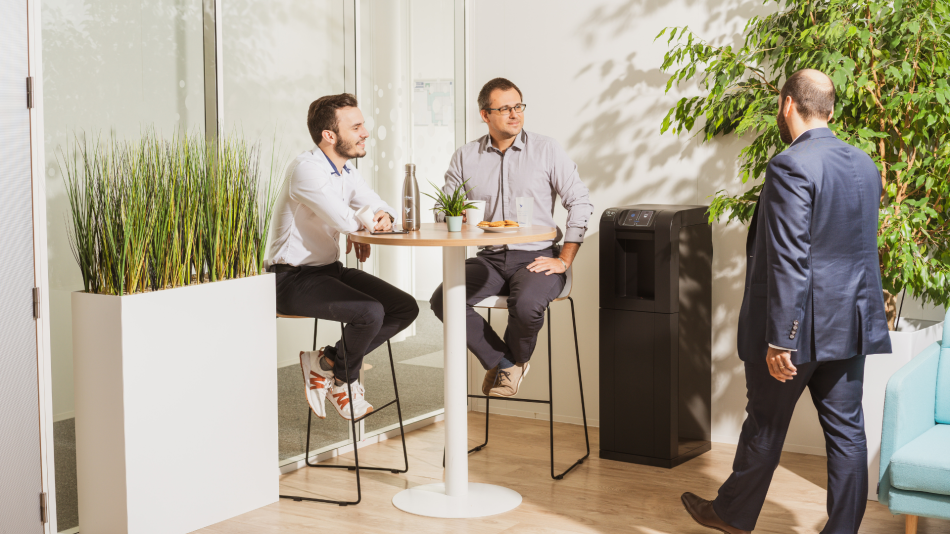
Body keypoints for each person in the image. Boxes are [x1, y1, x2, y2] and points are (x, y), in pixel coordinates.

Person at [680, 70, 892, 534]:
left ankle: (732, 515)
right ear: (830, 110)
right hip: (849, 323)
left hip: (796, 331)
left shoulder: (789, 165)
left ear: (787, 105)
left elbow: (790, 258)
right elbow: (856, 249)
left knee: (765, 426)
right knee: (847, 432)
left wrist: (782, 338)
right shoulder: (864, 164)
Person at [429, 77, 594, 398]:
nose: (514, 114)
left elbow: (581, 202)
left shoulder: (546, 150)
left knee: (529, 303)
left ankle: (512, 363)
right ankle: (506, 362)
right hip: (489, 259)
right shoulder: (465, 156)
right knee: (442, 300)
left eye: (518, 106)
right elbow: (440, 208)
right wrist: (454, 215)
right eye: (504, 108)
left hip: (536, 257)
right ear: (484, 114)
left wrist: (564, 259)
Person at [266, 93, 419, 421]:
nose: (366, 132)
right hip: (290, 280)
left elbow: (380, 206)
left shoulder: (345, 172)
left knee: (405, 307)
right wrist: (361, 224)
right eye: (357, 126)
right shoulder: (306, 171)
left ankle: (325, 363)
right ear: (329, 136)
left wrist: (383, 216)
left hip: (327, 271)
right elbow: (345, 220)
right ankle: (344, 383)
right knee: (370, 312)